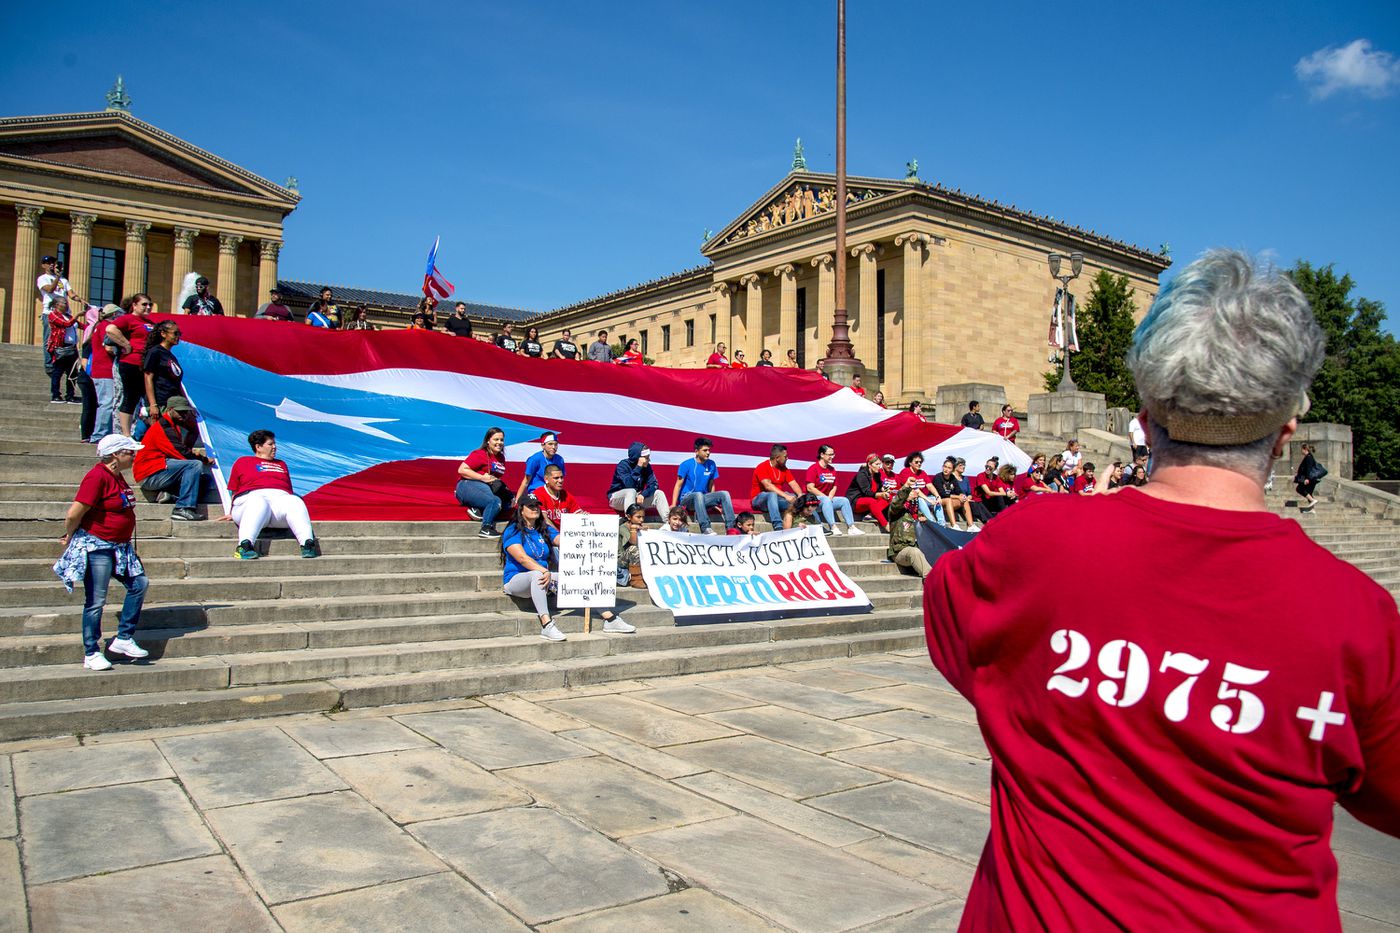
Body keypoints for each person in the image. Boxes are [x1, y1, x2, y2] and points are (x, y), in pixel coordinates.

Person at [923, 248, 1400, 930]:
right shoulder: (1357, 615)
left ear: (1144, 410)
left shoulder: (1032, 547)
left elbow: (960, 638)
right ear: (1287, 427)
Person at [54, 434, 150, 671]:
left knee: (139, 584)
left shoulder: (117, 477)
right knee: (96, 600)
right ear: (116, 455)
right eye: (130, 452)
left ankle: (124, 638)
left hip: (120, 547)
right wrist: (69, 535)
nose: (134, 455)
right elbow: (74, 513)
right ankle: (91, 651)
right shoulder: (97, 476)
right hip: (99, 546)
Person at [501, 495, 635, 641]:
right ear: (521, 510)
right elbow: (522, 558)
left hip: (543, 577)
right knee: (537, 575)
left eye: (537, 506)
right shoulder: (513, 530)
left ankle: (609, 619)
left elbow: (567, 540)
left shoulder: (542, 529)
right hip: (516, 580)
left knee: (580, 576)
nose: (535, 509)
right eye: (531, 506)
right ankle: (546, 624)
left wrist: (584, 524)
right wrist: (544, 571)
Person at [226, 430, 319, 559]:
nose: (275, 447)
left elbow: (288, 490)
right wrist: (231, 511)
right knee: (258, 503)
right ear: (258, 447)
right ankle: (244, 546)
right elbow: (234, 490)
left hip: (278, 505)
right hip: (250, 502)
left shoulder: (281, 464)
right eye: (270, 444)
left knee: (295, 501)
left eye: (275, 443)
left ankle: (307, 544)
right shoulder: (242, 462)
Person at [132, 397, 214, 521]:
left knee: (205, 480)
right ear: (170, 410)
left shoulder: (172, 425)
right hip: (150, 474)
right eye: (180, 412)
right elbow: (181, 453)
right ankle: (183, 508)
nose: (184, 415)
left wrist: (193, 429)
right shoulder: (164, 428)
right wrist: (204, 459)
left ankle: (171, 495)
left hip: (161, 470)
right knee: (194, 465)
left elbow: (183, 450)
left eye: (186, 412)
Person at [106, 293, 155, 436]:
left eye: (150, 305)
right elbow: (110, 330)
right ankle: (126, 434)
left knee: (147, 399)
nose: (148, 307)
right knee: (130, 397)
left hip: (147, 365)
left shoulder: (150, 322)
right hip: (131, 362)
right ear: (134, 305)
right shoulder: (128, 319)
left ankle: (144, 433)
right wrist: (126, 345)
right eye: (144, 304)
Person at [456, 427, 513, 538]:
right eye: (496, 439)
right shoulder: (479, 454)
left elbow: (495, 478)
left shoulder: (501, 458)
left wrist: (508, 494)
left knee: (506, 504)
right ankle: (486, 528)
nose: (499, 443)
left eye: (501, 440)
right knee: (495, 501)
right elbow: (462, 470)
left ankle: (478, 510)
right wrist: (482, 477)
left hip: (485, 488)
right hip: (467, 486)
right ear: (488, 440)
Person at [672, 436, 734, 535]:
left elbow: (711, 484)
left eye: (709, 450)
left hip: (702, 498)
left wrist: (713, 503)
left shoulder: (712, 464)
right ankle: (705, 528)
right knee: (698, 494)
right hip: (687, 500)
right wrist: (674, 505)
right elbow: (678, 485)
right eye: (705, 450)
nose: (708, 453)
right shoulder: (686, 464)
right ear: (696, 451)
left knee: (725, 494)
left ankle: (731, 528)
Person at [84, 303, 122, 445]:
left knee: (106, 402)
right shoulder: (106, 327)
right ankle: (99, 434)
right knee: (107, 403)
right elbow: (109, 348)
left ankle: (101, 433)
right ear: (114, 315)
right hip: (104, 370)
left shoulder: (100, 326)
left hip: (100, 370)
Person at [806, 445, 863, 535]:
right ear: (822, 454)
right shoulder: (813, 468)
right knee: (825, 500)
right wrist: (826, 498)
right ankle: (833, 526)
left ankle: (851, 527)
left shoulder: (832, 469)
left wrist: (830, 497)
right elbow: (810, 487)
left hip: (827, 499)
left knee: (844, 500)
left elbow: (834, 486)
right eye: (830, 454)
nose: (832, 457)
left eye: (833, 454)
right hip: (815, 501)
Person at [607, 442, 670, 520]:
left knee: (659, 493)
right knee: (631, 491)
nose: (649, 460)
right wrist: (638, 467)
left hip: (636, 498)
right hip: (618, 500)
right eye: (646, 457)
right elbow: (629, 484)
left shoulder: (647, 467)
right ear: (638, 458)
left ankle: (669, 524)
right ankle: (632, 523)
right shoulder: (623, 465)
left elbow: (654, 484)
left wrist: (644, 494)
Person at [141, 321, 185, 425]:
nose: (178, 336)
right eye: (175, 333)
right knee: (158, 433)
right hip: (159, 401)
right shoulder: (155, 352)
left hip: (172, 402)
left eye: (179, 334)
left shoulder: (171, 356)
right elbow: (148, 377)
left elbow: (177, 382)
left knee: (193, 429)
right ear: (163, 334)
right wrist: (153, 405)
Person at [750, 443, 803, 530]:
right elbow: (768, 486)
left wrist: (800, 495)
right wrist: (786, 496)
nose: (787, 458)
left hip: (777, 500)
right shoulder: (762, 467)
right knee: (772, 494)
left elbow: (793, 483)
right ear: (777, 458)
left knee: (800, 499)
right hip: (759, 500)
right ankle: (778, 526)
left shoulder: (784, 469)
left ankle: (815, 524)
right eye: (785, 456)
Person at [885, 485, 931, 578]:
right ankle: (931, 579)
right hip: (899, 551)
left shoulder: (917, 514)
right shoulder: (896, 513)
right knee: (914, 552)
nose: (915, 493)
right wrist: (906, 488)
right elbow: (896, 503)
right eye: (911, 492)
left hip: (916, 549)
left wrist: (925, 521)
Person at [45, 294, 80, 403]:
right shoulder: (53, 315)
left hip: (72, 348)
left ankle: (70, 395)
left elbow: (80, 325)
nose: (66, 304)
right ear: (57, 304)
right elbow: (66, 324)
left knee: (72, 373)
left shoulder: (69, 316)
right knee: (58, 372)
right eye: (64, 302)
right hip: (60, 347)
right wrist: (77, 315)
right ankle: (56, 395)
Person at [845, 453, 893, 530]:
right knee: (872, 501)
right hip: (855, 501)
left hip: (869, 501)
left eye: (879, 464)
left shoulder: (877, 474)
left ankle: (869, 516)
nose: (879, 466)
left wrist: (884, 490)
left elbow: (879, 487)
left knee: (888, 497)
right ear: (870, 465)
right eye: (877, 464)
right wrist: (881, 494)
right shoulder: (862, 474)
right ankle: (886, 525)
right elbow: (867, 492)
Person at [895, 452, 944, 526]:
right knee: (920, 499)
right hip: (910, 501)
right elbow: (915, 490)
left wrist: (937, 496)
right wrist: (928, 500)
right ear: (910, 463)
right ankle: (932, 522)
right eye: (916, 462)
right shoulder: (905, 472)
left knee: (936, 500)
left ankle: (942, 524)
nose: (919, 464)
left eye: (920, 462)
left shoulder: (922, 472)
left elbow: (930, 486)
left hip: (923, 499)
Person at [932, 456, 978, 530]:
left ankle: (971, 525)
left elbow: (958, 490)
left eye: (949, 468)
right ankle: (954, 525)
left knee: (964, 500)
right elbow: (942, 494)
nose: (946, 469)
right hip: (938, 501)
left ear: (952, 470)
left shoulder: (952, 478)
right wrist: (957, 497)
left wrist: (962, 496)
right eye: (945, 466)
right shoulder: (938, 477)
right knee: (948, 500)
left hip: (949, 503)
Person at [517, 432, 564, 501]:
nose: (553, 447)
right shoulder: (535, 459)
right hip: (536, 493)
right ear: (543, 445)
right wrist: (517, 500)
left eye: (556, 444)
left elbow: (559, 480)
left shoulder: (559, 459)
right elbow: (526, 481)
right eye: (550, 444)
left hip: (553, 493)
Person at [534, 464, 583, 529]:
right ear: (546, 479)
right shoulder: (539, 493)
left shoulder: (566, 495)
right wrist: (559, 535)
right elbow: (544, 520)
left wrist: (583, 516)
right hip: (547, 533)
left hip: (565, 533)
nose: (560, 481)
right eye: (556, 478)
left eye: (561, 477)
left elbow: (577, 514)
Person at [1294, 443, 1325, 511]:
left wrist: (1307, 479)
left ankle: (1312, 500)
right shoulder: (1308, 457)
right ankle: (1312, 510)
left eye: (1302, 449)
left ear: (1305, 449)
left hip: (1310, 478)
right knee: (1309, 493)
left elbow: (1309, 469)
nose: (1301, 451)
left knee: (1299, 489)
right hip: (1311, 478)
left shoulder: (1308, 457)